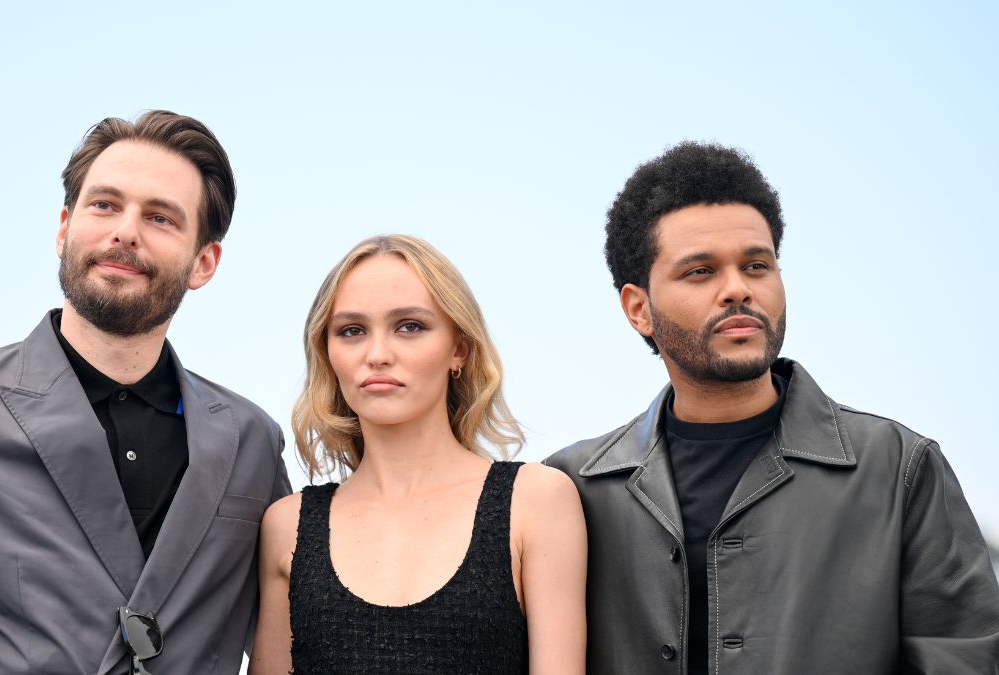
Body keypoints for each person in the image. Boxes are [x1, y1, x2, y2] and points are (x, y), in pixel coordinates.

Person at [0, 110, 291, 674]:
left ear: (204, 263)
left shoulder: (253, 441)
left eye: (161, 218)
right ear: (63, 228)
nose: (125, 231)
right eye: (104, 205)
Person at [546, 142, 999, 674]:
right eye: (700, 272)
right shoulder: (570, 487)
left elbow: (964, 660)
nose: (737, 290)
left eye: (757, 265)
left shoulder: (899, 467)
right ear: (639, 309)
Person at [248, 235, 587, 674]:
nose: (378, 354)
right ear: (327, 354)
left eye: (410, 326)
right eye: (351, 331)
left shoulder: (535, 500)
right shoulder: (288, 525)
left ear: (459, 350)